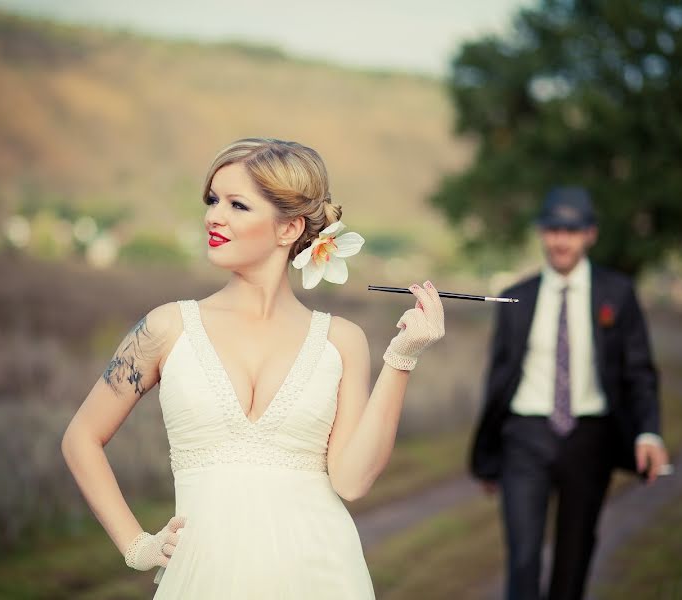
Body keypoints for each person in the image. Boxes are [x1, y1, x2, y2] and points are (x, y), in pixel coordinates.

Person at [61, 138, 445, 598]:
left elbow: (352, 479)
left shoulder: (342, 341)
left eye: (237, 204)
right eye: (212, 200)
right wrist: (136, 544)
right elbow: (81, 438)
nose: (213, 216)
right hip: (202, 582)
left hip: (323, 576)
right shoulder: (166, 328)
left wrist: (402, 357)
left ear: (289, 229)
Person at [469, 187, 670, 600]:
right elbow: (498, 380)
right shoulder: (516, 296)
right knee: (523, 560)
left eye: (572, 230)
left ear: (590, 234)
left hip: (590, 439)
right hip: (524, 440)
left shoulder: (617, 294)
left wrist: (648, 434)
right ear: (542, 234)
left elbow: (640, 372)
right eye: (553, 229)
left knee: (573, 562)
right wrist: (488, 458)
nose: (561, 240)